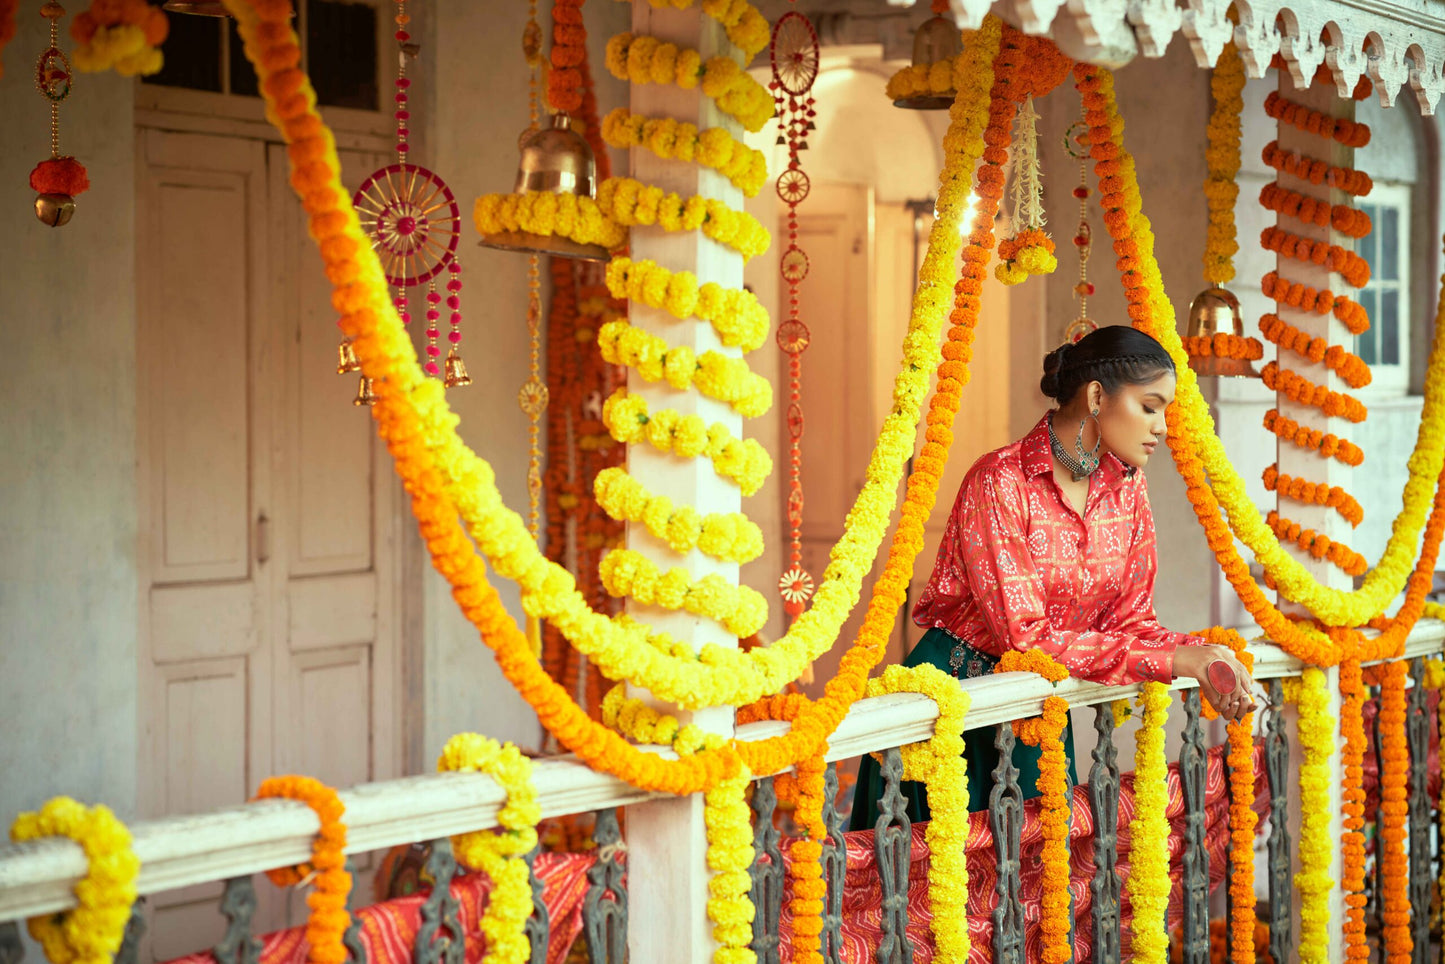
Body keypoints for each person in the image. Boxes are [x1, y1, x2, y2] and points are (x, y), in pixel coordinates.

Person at [849, 325, 1256, 829]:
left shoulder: (1127, 490)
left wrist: (1206, 656)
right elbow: (1025, 638)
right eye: (1150, 406)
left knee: (1035, 891)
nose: (1162, 427)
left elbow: (1131, 623)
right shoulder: (999, 482)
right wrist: (1174, 658)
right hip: (955, 710)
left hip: (1035, 711)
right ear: (1096, 396)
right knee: (936, 892)